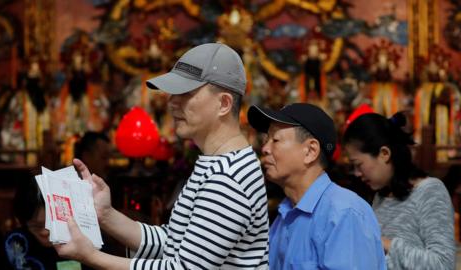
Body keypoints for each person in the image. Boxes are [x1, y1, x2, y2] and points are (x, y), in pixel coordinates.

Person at [54, 43, 270, 269]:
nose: (172, 102)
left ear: (224, 103)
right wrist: (106, 215)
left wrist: (91, 257)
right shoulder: (218, 162)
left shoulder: (227, 178)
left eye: (186, 93)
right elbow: (174, 242)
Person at [247, 103, 386, 269]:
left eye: (275, 140)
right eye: (265, 140)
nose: (265, 148)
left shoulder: (344, 214)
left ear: (310, 151)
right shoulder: (284, 215)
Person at [343, 112, 456, 269]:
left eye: (358, 164)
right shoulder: (381, 195)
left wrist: (385, 243)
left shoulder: (430, 191)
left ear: (384, 154)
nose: (357, 173)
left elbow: (443, 264)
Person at [0, 177, 87, 270]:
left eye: (51, 224)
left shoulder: (82, 239)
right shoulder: (14, 242)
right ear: (23, 221)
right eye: (36, 226)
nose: (45, 232)